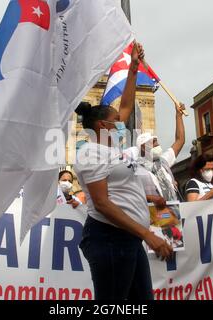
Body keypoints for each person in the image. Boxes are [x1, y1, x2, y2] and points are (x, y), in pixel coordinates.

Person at [74, 42, 172, 300]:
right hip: (109, 240)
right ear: (102, 124)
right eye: (117, 120)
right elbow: (103, 203)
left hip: (129, 239)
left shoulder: (113, 148)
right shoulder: (90, 153)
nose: (122, 122)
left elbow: (127, 104)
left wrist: (133, 67)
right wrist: (147, 235)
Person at [129, 102, 186, 207]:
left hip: (174, 212)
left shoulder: (163, 161)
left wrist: (178, 116)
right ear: (143, 147)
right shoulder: (134, 169)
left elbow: (180, 140)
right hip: (151, 216)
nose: (158, 144)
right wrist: (151, 198)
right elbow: (129, 195)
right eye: (154, 142)